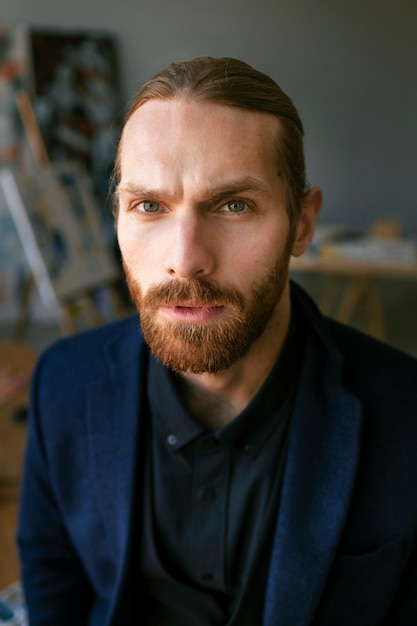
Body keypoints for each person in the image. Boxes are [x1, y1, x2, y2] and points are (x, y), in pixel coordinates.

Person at [17, 56, 417, 626]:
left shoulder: (406, 415)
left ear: (301, 224)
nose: (185, 260)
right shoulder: (64, 381)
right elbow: (53, 574)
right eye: (149, 206)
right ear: (117, 219)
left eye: (234, 205)